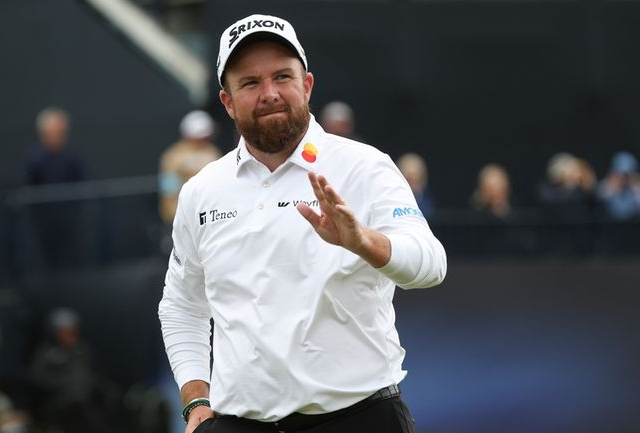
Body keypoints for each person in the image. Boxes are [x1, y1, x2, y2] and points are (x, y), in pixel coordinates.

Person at [158, 14, 447, 433]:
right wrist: (195, 401)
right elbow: (182, 305)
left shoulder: (364, 166)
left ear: (306, 84)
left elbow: (431, 265)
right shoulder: (202, 190)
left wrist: (365, 242)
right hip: (238, 423)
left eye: (282, 77)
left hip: (359, 419)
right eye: (251, 83)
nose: (270, 93)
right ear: (227, 101)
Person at [29, 308, 114, 433]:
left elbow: (90, 374)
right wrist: (63, 381)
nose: (69, 335)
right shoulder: (46, 352)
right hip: (59, 402)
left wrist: (99, 386)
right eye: (64, 331)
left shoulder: (82, 350)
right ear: (55, 332)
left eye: (72, 331)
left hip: (85, 400)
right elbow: (38, 378)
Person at [24, 107, 86, 269]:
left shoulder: (72, 157)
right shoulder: (35, 159)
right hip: (42, 224)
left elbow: (81, 184)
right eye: (51, 133)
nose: (55, 137)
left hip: (69, 221)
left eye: (59, 132)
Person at [159, 110, 222, 225]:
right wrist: (174, 216)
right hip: (184, 216)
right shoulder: (173, 156)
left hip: (212, 214)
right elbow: (169, 190)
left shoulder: (213, 152)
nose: (203, 140)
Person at [596, 151, 640, 220]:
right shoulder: (606, 185)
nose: (623, 178)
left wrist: (638, 190)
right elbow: (595, 201)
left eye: (627, 175)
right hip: (609, 226)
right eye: (619, 173)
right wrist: (611, 187)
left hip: (634, 227)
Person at [397, 152, 435, 217]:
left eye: (416, 180)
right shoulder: (392, 202)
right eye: (409, 180)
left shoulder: (429, 205)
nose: (413, 186)